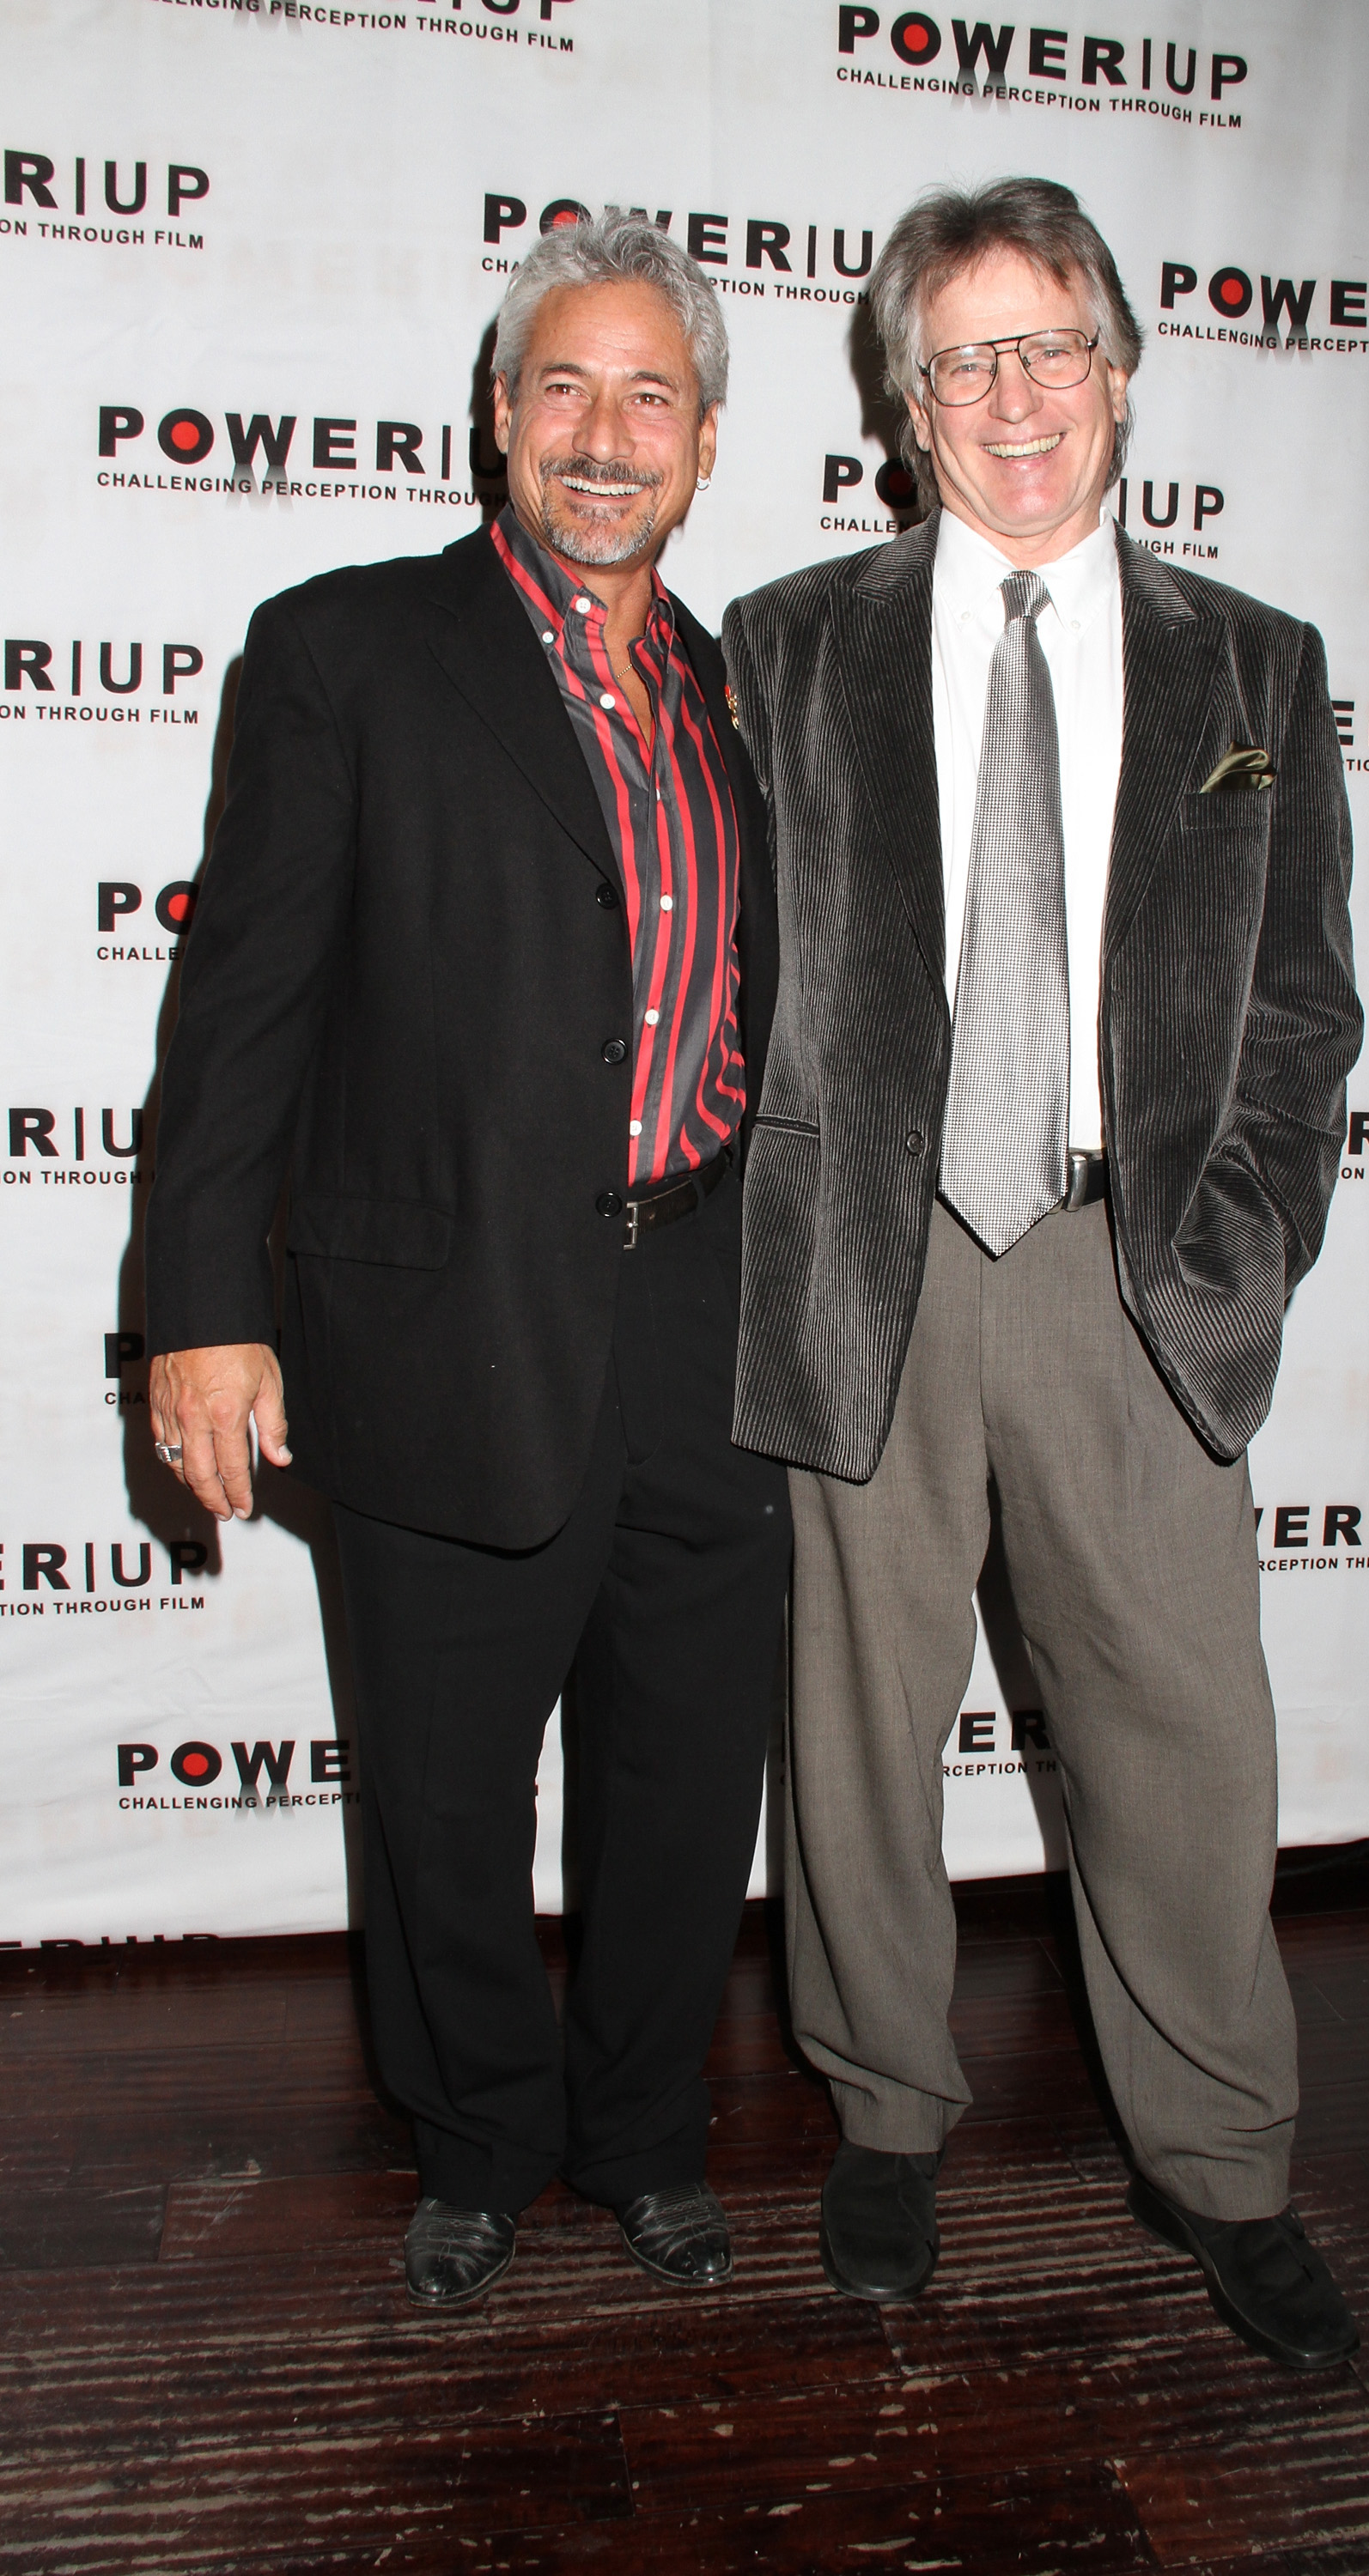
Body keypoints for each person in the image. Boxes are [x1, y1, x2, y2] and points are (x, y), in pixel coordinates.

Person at [723, 179, 1364, 2370]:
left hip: (1127, 1273)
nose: (1014, 398)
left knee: (1184, 1745)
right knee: (856, 1735)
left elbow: (1298, 1010)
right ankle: (886, 2115)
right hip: (865, 1270)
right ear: (905, 405)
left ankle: (1225, 2167)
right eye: (964, 358)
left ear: (1118, 371)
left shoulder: (1249, 664)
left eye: (1050, 347)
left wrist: (1235, 1240)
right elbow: (723, 974)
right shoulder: (787, 642)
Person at [146, 216, 790, 2310]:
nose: (606, 439)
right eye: (564, 392)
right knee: (437, 1786)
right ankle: (481, 2141)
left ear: (704, 442)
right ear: (499, 418)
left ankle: (638, 2133)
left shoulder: (736, 688)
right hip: (435, 1313)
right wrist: (199, 1312)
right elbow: (235, 1011)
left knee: (684, 1777)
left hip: (700, 1305)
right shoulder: (345, 650)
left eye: (650, 399)